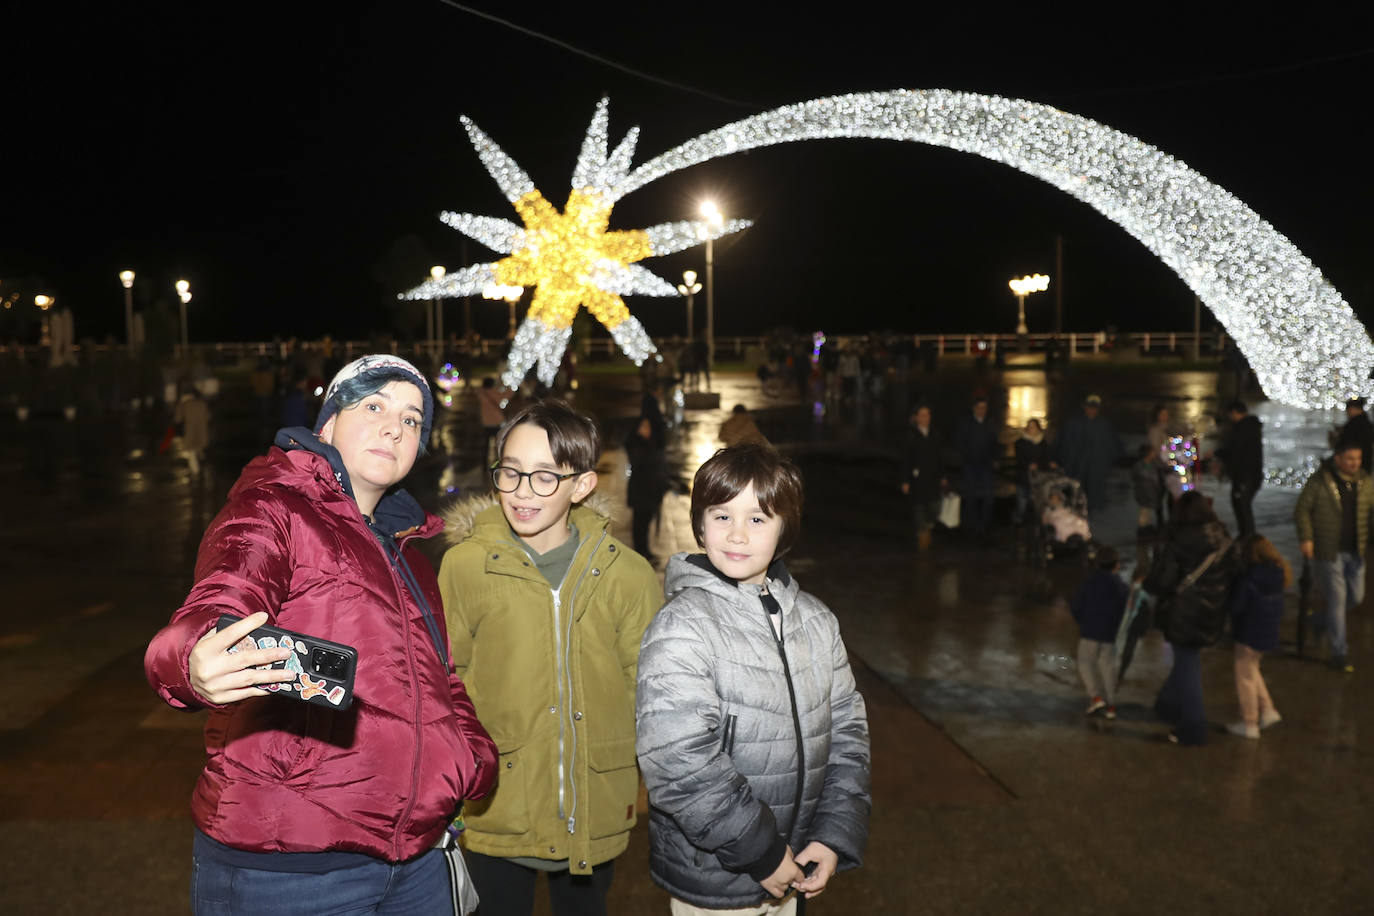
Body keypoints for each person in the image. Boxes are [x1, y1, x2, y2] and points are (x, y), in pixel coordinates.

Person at [144, 354, 497, 913]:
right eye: (374, 405)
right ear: (327, 423)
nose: (394, 426)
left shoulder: (409, 550)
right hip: (290, 865)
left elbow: (441, 677)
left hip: (416, 860)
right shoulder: (274, 509)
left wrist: (468, 759)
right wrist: (192, 661)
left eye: (412, 419)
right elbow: (221, 600)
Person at [437, 400, 662, 916]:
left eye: (544, 477)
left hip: (595, 802)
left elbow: (645, 687)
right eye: (510, 473)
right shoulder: (466, 566)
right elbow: (448, 680)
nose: (521, 492)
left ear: (581, 485)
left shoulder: (626, 574)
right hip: (498, 803)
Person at [636, 444, 871, 915]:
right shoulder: (683, 625)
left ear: (785, 530)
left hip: (797, 865)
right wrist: (761, 852)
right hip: (718, 875)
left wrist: (831, 836)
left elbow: (848, 734)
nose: (737, 535)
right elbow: (678, 762)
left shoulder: (817, 622)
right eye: (722, 516)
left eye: (758, 519)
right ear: (700, 524)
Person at [1144, 491, 1238, 746]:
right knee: (1188, 660)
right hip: (1212, 610)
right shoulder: (1222, 537)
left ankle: (1193, 728)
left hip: (1184, 611)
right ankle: (1166, 704)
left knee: (1188, 665)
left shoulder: (1179, 539)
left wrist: (1148, 585)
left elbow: (1163, 579)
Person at [1294, 441, 1373, 673]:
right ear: (1337, 458)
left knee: (1356, 597)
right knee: (1337, 601)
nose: (1354, 463)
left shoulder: (1365, 482)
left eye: (1358, 459)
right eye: (1350, 459)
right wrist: (1307, 538)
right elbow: (1302, 510)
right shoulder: (1321, 481)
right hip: (1329, 551)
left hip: (1356, 551)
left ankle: (1318, 621)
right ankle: (1339, 652)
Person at [1227, 535, 1288, 738]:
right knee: (1252, 670)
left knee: (1244, 677)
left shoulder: (1249, 578)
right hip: (1266, 633)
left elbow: (1237, 606)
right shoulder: (1278, 574)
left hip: (1248, 633)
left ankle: (1249, 722)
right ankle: (1268, 710)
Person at [1070, 545, 1128, 719]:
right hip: (1109, 635)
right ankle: (1111, 707)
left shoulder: (1088, 583)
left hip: (1089, 632)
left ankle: (1096, 697)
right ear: (1116, 565)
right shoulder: (1121, 587)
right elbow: (1126, 611)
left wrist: (1083, 622)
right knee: (1108, 668)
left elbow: (1076, 606)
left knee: (1085, 663)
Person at [1056, 394, 1120, 517]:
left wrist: (1109, 462)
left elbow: (1112, 445)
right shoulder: (1073, 423)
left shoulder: (1104, 425)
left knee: (1094, 497)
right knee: (1076, 494)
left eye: (1095, 408)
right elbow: (1063, 444)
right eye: (1089, 407)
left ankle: (1090, 517)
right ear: (1084, 407)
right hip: (1076, 467)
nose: (1092, 410)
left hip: (1096, 467)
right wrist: (1063, 462)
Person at [625, 414, 672, 563]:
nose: (647, 430)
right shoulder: (636, 444)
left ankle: (645, 550)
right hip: (641, 491)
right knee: (640, 524)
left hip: (651, 491)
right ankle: (640, 551)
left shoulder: (651, 443)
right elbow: (640, 462)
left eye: (648, 426)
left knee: (646, 523)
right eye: (643, 426)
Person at [1213, 400, 1263, 538]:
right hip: (1250, 475)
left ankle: (1247, 537)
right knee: (1242, 506)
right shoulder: (1250, 427)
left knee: (1242, 507)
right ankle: (1247, 536)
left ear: (1234, 413)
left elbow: (1234, 451)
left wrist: (1217, 455)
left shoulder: (1242, 429)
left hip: (1244, 476)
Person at [900, 405, 946, 551]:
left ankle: (928, 527)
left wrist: (943, 475)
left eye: (927, 415)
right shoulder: (911, 436)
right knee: (919, 508)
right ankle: (922, 539)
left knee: (935, 506)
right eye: (922, 415)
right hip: (918, 479)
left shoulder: (935, 434)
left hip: (932, 478)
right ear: (917, 417)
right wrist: (905, 480)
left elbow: (940, 457)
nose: (925, 418)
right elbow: (906, 459)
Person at [953, 396, 999, 538]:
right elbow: (959, 442)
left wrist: (994, 458)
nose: (981, 411)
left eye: (984, 408)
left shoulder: (990, 423)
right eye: (979, 408)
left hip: (986, 465)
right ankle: (971, 526)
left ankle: (984, 524)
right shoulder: (966, 423)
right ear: (974, 408)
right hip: (970, 465)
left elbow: (994, 443)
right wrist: (968, 456)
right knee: (970, 495)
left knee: (989, 496)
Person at [1013, 418, 1054, 523]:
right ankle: (1019, 523)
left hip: (1038, 479)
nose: (1032, 430)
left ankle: (1034, 525)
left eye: (1034, 427)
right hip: (1023, 477)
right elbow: (1020, 459)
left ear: (1038, 429)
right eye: (1030, 427)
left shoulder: (1043, 443)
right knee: (1022, 503)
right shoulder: (1020, 443)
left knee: (1036, 504)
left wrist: (1039, 465)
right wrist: (1028, 465)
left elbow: (1046, 459)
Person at [1338, 397, 1374, 472]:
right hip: (1365, 463)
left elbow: (1345, 444)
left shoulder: (1353, 425)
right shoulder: (1367, 423)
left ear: (1352, 409)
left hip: (1354, 465)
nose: (1347, 413)